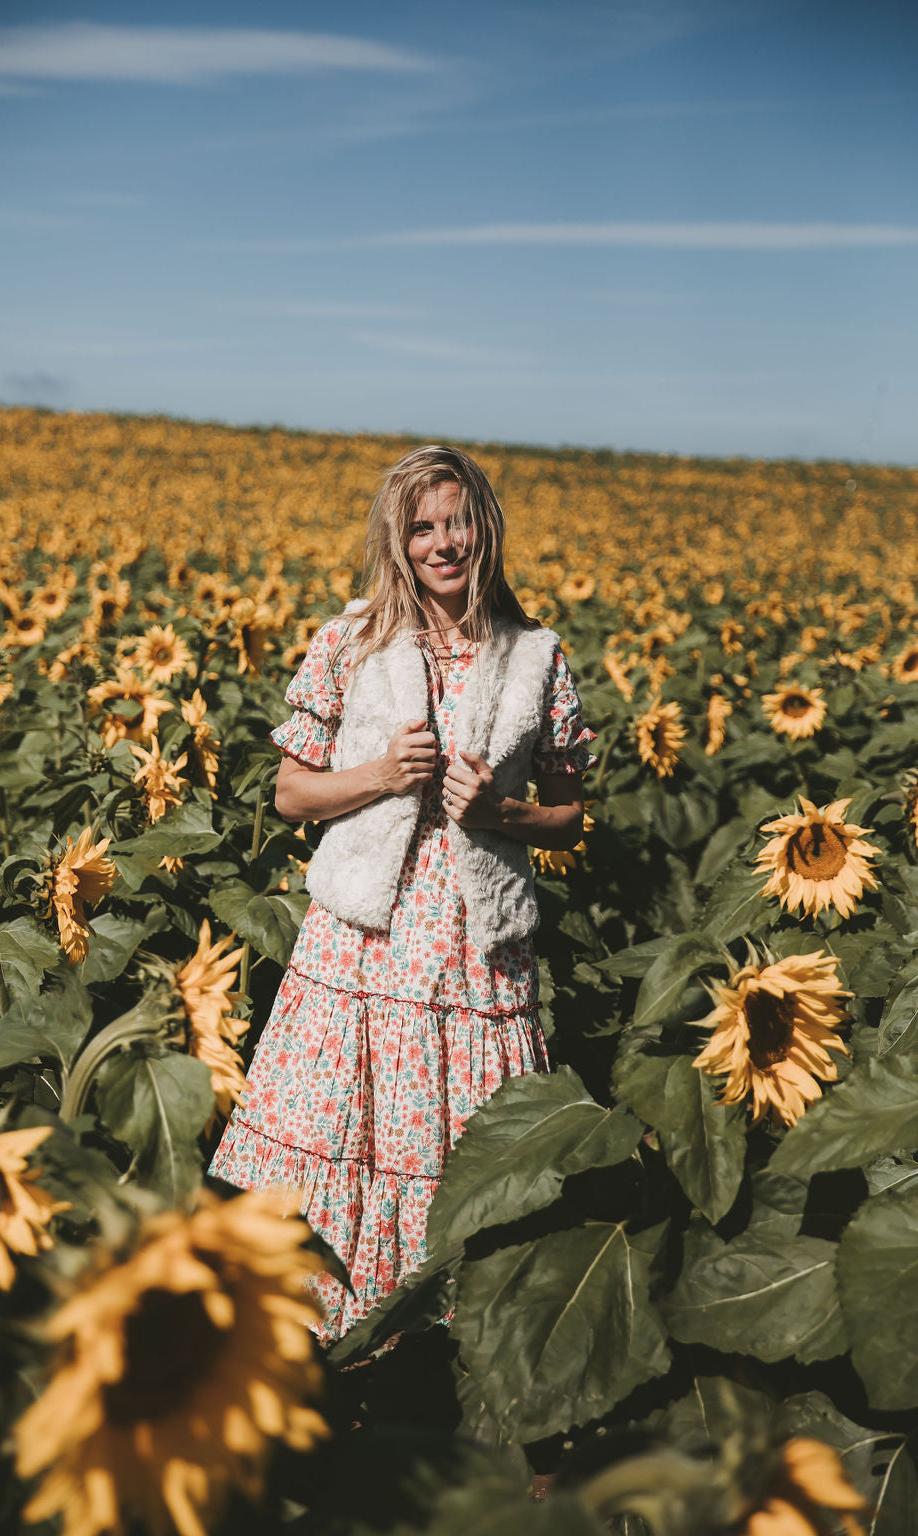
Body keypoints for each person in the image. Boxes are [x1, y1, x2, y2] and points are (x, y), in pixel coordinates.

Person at [209, 445, 595, 1341]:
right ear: (399, 540)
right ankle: (307, 1339)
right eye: (422, 527)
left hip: (472, 948)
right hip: (360, 941)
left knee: (457, 1152)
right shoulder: (352, 640)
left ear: (484, 529)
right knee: (336, 1131)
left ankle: (436, 1336)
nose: (441, 543)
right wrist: (383, 774)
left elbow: (571, 816)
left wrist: (504, 812)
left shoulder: (536, 655)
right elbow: (291, 793)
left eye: (456, 522)